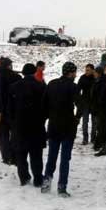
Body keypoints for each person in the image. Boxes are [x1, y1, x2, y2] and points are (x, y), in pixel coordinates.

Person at [42, 62, 79, 197]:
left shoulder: (51, 84)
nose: (75, 75)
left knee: (52, 155)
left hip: (53, 125)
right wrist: (76, 119)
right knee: (65, 158)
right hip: (68, 126)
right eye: (74, 72)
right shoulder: (73, 87)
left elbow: (44, 104)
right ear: (71, 73)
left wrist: (49, 116)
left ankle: (46, 181)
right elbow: (79, 104)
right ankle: (62, 186)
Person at [8, 63, 47, 186]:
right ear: (35, 72)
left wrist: (12, 122)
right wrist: (42, 119)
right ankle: (38, 179)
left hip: (19, 125)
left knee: (21, 154)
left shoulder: (13, 87)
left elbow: (8, 109)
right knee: (36, 154)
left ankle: (23, 177)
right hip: (36, 125)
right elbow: (45, 107)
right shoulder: (40, 86)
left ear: (23, 73)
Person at [0, 57, 21, 165]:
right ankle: (14, 156)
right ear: (9, 65)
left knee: (3, 134)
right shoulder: (16, 77)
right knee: (15, 134)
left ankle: (5, 156)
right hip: (13, 109)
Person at [76, 64, 96, 145]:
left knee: (94, 122)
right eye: (86, 70)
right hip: (85, 103)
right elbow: (78, 89)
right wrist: (80, 100)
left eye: (88, 70)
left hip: (94, 103)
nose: (86, 71)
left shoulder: (95, 78)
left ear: (92, 70)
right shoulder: (82, 77)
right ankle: (85, 138)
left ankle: (93, 138)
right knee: (85, 121)